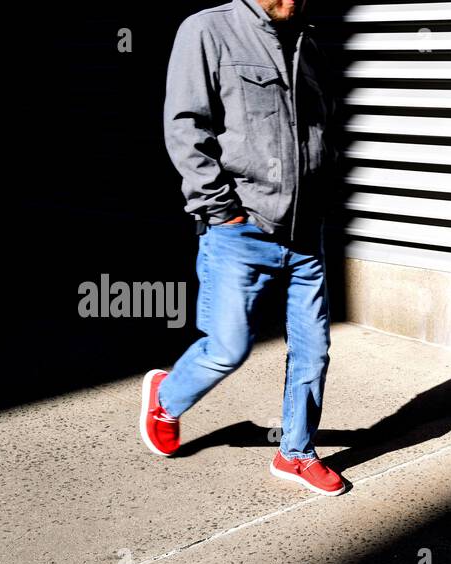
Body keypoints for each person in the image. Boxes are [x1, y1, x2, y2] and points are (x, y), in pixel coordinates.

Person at [140, 0, 345, 496]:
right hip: (240, 226)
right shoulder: (208, 30)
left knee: (313, 350)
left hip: (305, 231)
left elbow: (322, 125)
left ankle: (295, 452)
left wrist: (321, 190)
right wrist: (220, 209)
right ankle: (166, 397)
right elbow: (185, 125)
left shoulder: (308, 39)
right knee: (229, 347)